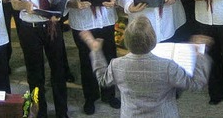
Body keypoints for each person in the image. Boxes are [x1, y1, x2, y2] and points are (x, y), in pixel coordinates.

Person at [82, 16, 212, 118]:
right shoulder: (167, 66)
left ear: (126, 40)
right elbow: (195, 84)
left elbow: (102, 80)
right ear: (153, 39)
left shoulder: (117, 65)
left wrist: (95, 50)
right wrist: (200, 55)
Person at [6, 0, 68, 118]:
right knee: (35, 73)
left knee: (58, 69)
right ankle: (39, 111)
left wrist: (58, 10)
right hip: (29, 27)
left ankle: (62, 112)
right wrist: (26, 5)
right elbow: (14, 3)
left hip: (50, 23)